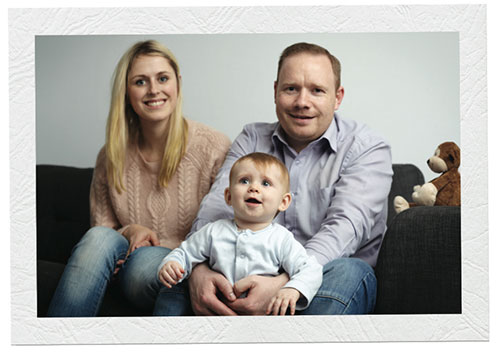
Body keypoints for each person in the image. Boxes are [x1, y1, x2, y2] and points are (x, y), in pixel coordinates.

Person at [185, 42, 393, 316]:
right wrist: (197, 271)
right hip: (245, 272)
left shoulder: (368, 147)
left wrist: (287, 284)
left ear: (338, 97)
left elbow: (344, 228)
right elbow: (217, 208)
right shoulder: (252, 139)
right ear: (275, 91)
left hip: (328, 274)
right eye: (291, 88)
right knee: (170, 273)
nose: (302, 102)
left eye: (317, 90)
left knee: (350, 271)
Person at [47, 40, 231, 317]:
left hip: (178, 268)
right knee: (98, 237)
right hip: (121, 266)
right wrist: (130, 230)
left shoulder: (213, 146)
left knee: (145, 260)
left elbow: (227, 227)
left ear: (177, 83)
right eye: (140, 82)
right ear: (126, 92)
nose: (154, 90)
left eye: (162, 78)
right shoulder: (110, 156)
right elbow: (102, 230)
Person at [158, 152, 323, 315]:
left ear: (283, 202)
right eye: (244, 181)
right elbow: (184, 252)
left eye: (265, 183)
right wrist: (173, 263)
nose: (253, 188)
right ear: (228, 196)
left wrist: (293, 289)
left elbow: (311, 269)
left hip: (262, 318)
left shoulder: (281, 239)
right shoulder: (213, 231)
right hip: (215, 315)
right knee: (172, 292)